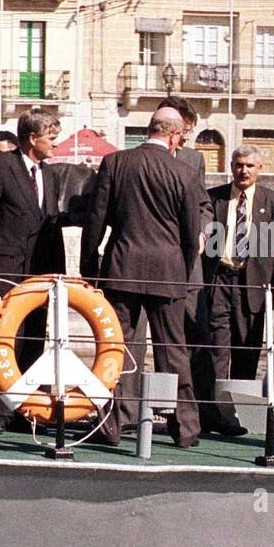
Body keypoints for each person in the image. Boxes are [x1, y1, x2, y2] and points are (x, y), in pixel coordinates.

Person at [81, 107, 203, 447]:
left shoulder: (115, 163)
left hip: (121, 269)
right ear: (176, 135)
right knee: (174, 351)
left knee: (116, 350)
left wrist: (89, 264)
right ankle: (186, 429)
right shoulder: (185, 173)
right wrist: (182, 266)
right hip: (168, 272)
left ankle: (112, 426)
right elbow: (192, 235)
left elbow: (97, 220)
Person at [199, 144, 274, 434]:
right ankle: (211, 413)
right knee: (216, 349)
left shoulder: (272, 201)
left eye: (249, 165)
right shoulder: (214, 199)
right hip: (219, 282)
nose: (243, 170)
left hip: (252, 286)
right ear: (231, 166)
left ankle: (237, 413)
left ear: (259, 169)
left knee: (247, 351)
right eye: (238, 165)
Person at [115, 96, 212, 432]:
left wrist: (199, 234)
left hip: (138, 267)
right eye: (184, 130)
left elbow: (202, 206)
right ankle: (126, 415)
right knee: (136, 346)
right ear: (173, 131)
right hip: (168, 268)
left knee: (168, 349)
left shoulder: (191, 162)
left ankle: (176, 419)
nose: (185, 137)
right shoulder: (143, 164)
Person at [0, 109, 66, 433]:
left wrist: (58, 274)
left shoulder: (49, 175)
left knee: (34, 342)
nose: (56, 144)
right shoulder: (0, 166)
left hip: (39, 273)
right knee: (6, 342)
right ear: (32, 138)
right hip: (3, 270)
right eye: (51, 138)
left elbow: (51, 226)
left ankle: (26, 411)